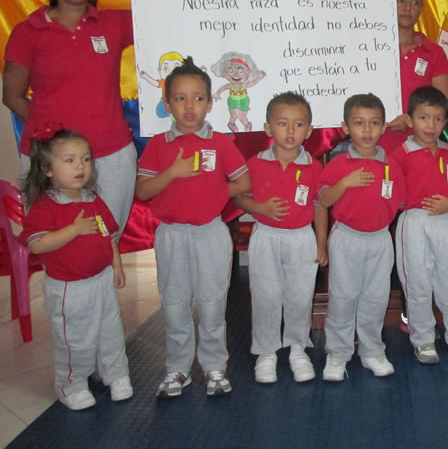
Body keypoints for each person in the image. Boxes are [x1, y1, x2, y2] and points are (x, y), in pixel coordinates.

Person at [135, 57, 250, 398]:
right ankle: (177, 369)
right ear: (168, 102)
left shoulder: (220, 143)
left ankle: (214, 366)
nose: (190, 106)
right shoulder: (159, 145)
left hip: (210, 234)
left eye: (198, 98)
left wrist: (215, 191)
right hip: (172, 235)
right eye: (180, 98)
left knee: (213, 303)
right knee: (174, 303)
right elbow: (142, 191)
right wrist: (172, 173)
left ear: (210, 103)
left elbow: (242, 183)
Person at [3, 0, 137, 233]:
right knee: (57, 246)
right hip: (51, 161)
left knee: (106, 241)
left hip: (110, 156)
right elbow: (12, 97)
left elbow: (164, 21)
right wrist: (52, 135)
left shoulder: (114, 24)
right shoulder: (28, 32)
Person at [19, 128, 132, 410]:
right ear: (47, 169)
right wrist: (74, 230)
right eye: (69, 161)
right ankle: (72, 384)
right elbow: (38, 245)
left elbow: (110, 236)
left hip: (102, 280)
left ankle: (115, 372)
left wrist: (116, 264)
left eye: (86, 159)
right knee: (75, 339)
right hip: (70, 288)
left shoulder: (94, 199)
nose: (80, 166)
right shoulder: (46, 206)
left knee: (110, 331)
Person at [234, 92, 328, 384]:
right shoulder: (255, 163)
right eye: (282, 123)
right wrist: (258, 208)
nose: (290, 131)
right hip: (266, 238)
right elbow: (238, 198)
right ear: (268, 128)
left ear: (309, 131)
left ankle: (298, 346)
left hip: (302, 238)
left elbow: (319, 205)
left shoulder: (313, 166)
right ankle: (266, 351)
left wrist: (322, 243)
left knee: (300, 295)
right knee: (266, 295)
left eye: (298, 124)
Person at [319, 93, 405, 381]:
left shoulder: (392, 166)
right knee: (343, 297)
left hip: (380, 240)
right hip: (347, 238)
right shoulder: (338, 165)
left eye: (374, 123)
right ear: (346, 127)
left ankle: (372, 350)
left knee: (376, 298)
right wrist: (345, 183)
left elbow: (399, 202)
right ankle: (338, 352)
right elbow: (324, 200)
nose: (367, 131)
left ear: (384, 128)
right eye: (359, 123)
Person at [391, 86, 448, 365]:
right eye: (424, 118)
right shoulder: (400, 153)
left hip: (446, 222)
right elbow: (390, 190)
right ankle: (423, 338)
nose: (431, 125)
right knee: (417, 282)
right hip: (413, 222)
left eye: (438, 119)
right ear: (410, 119)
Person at [380, 0, 448, 154]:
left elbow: (447, 105)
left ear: (421, 8)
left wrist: (411, 120)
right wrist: (387, 123)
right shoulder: (370, 48)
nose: (407, 8)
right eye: (400, 0)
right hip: (373, 146)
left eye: (414, 2)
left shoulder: (433, 53)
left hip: (418, 149)